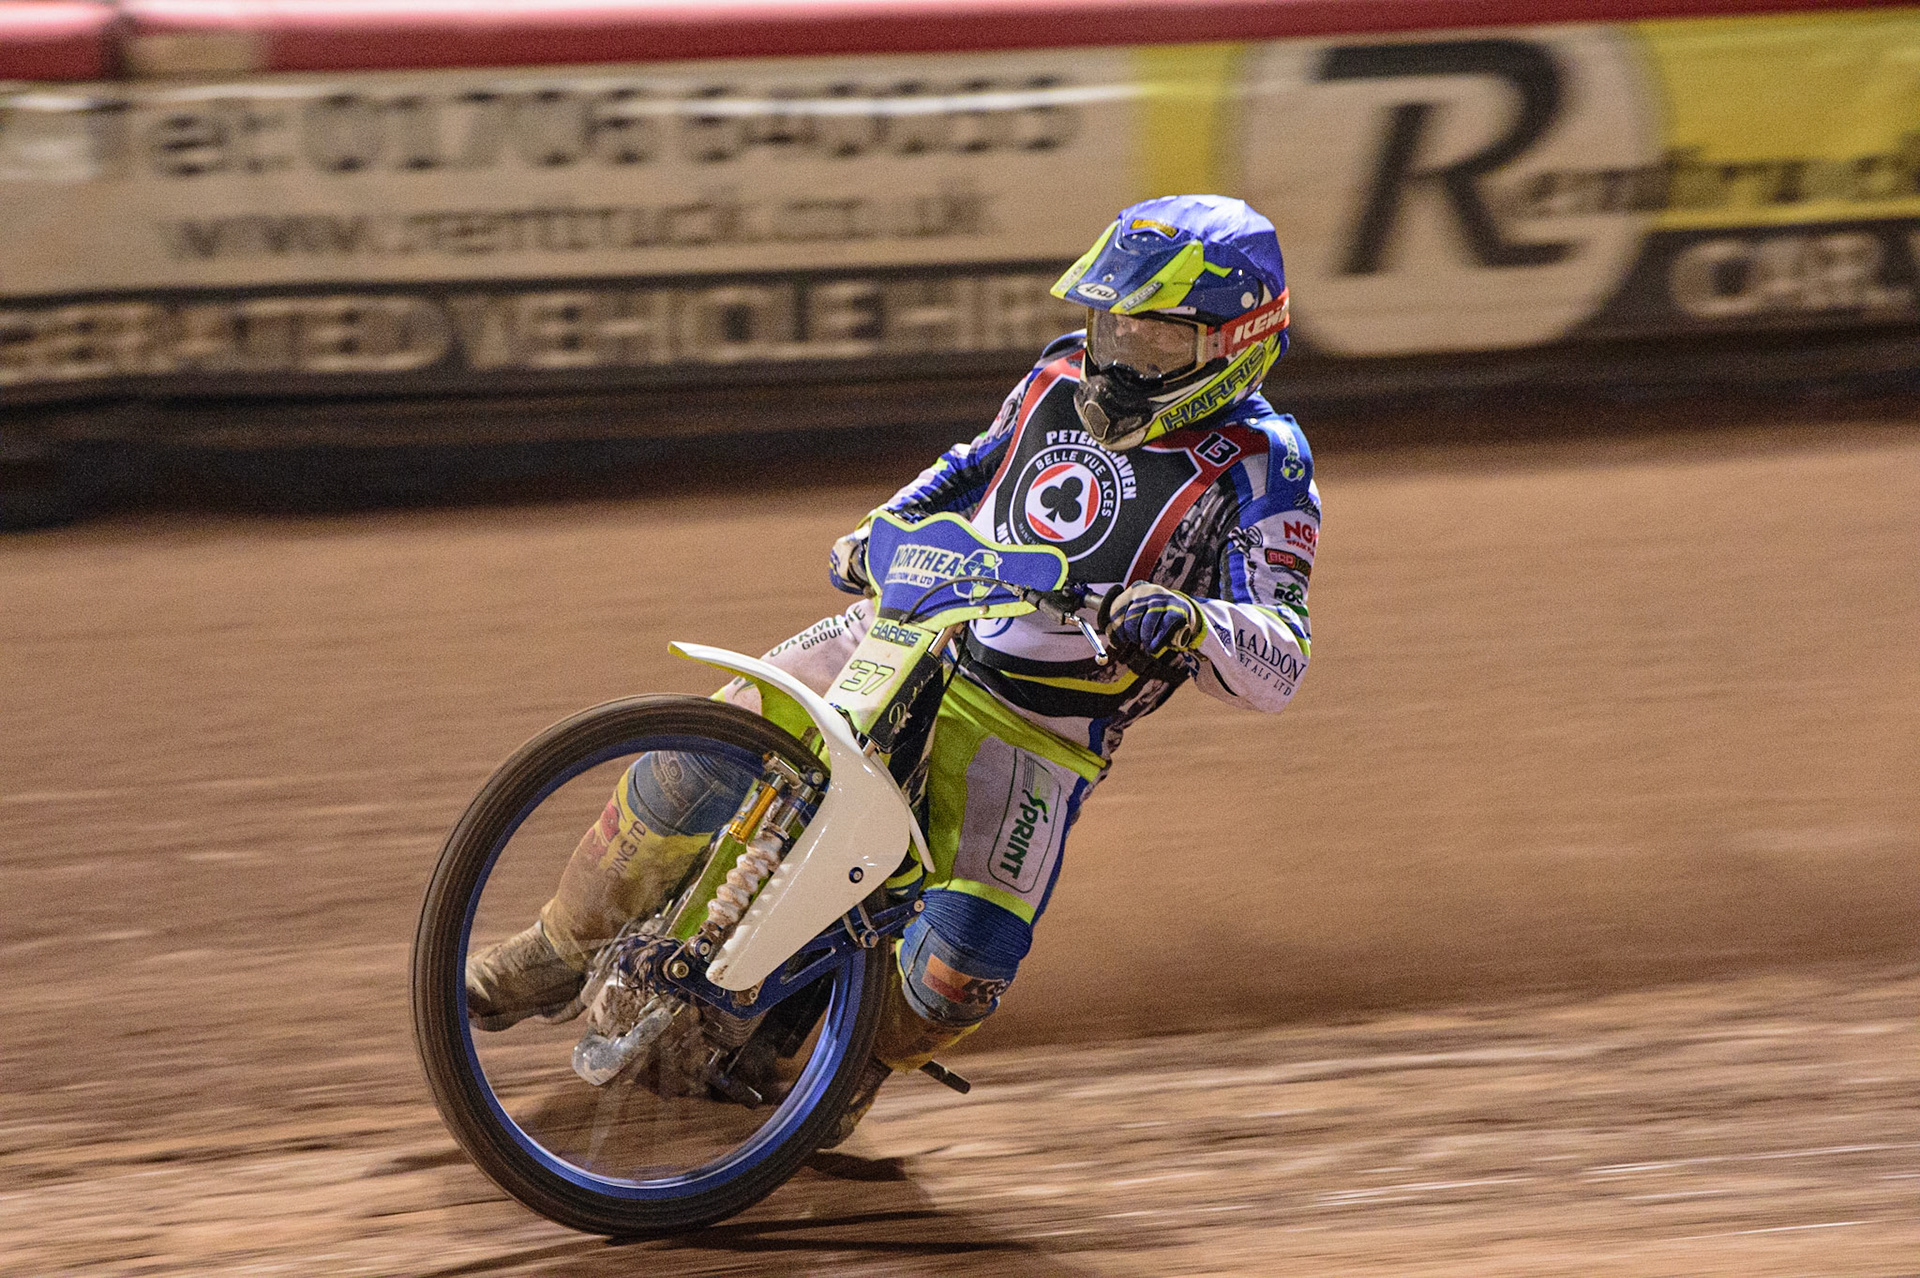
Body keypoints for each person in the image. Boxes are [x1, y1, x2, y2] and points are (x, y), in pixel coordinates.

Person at [464, 194, 1320, 1142]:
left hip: (1039, 727)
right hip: (911, 627)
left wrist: (1191, 622)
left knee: (956, 980)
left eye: (1156, 341)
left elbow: (1281, 654)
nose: (1120, 356)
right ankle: (555, 946)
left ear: (1237, 342)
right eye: (1113, 326)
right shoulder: (1055, 377)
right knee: (699, 753)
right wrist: (882, 526)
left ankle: (852, 1062)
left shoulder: (1264, 464)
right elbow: (972, 464)